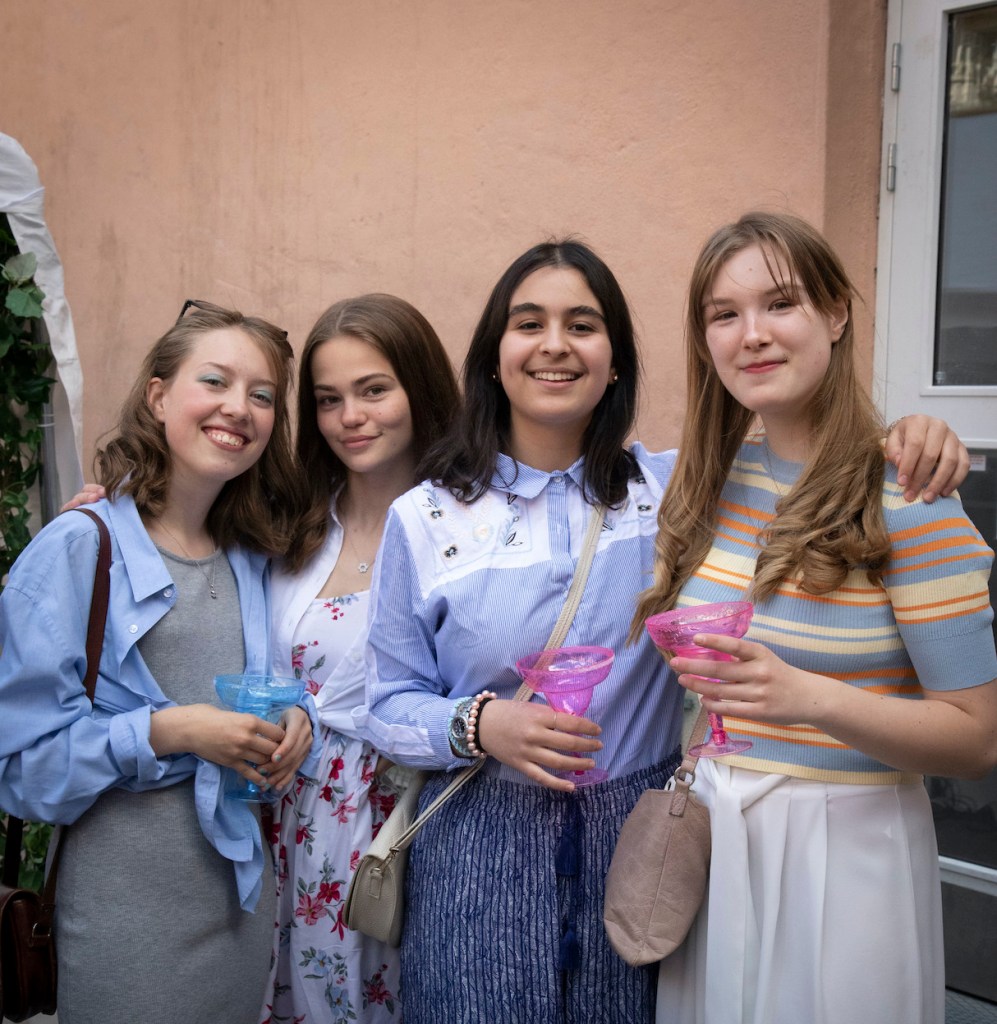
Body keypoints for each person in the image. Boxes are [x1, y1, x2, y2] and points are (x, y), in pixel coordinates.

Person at [360, 238, 971, 1024]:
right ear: (492, 356)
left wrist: (918, 432)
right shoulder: (426, 517)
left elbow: (816, 458)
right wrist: (482, 724)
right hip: (480, 848)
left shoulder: (675, 489)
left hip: (646, 845)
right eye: (528, 323)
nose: (554, 345)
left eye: (583, 325)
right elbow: (386, 703)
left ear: (614, 360)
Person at [633, 212, 997, 1024]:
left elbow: (977, 740)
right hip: (717, 835)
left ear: (835, 314)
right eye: (724, 314)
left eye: (780, 303)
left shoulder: (911, 494)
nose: (751, 334)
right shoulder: (710, 479)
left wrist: (808, 698)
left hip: (847, 852)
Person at [0, 300, 316, 1024]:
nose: (238, 408)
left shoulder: (250, 556)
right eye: (215, 381)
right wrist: (170, 731)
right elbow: (19, 771)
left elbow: (265, 692)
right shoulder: (78, 548)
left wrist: (299, 720)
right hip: (122, 924)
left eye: (262, 395)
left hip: (239, 912)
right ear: (159, 395)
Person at [259, 294, 460, 1023]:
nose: (350, 417)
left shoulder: (464, 525)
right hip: (277, 818)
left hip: (395, 826)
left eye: (374, 390)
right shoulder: (293, 517)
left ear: (420, 389)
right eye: (328, 399)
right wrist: (108, 509)